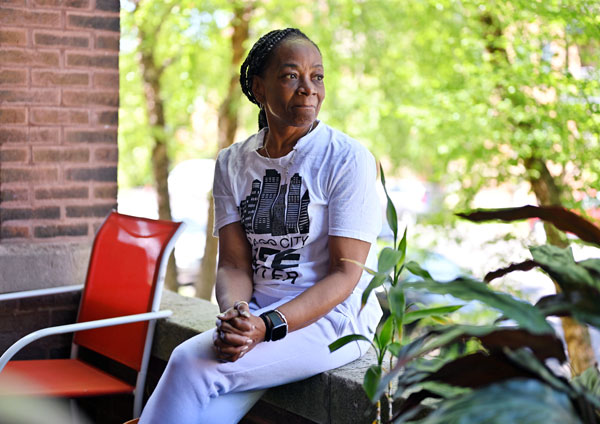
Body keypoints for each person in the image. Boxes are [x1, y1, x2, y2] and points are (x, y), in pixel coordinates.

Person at [138, 27, 382, 424]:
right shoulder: (232, 162)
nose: (308, 89)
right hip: (258, 314)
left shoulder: (346, 158)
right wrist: (238, 315)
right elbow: (233, 264)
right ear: (259, 87)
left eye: (316, 76)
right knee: (207, 412)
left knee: (187, 363)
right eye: (291, 76)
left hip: (333, 322)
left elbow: (345, 275)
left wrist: (264, 327)